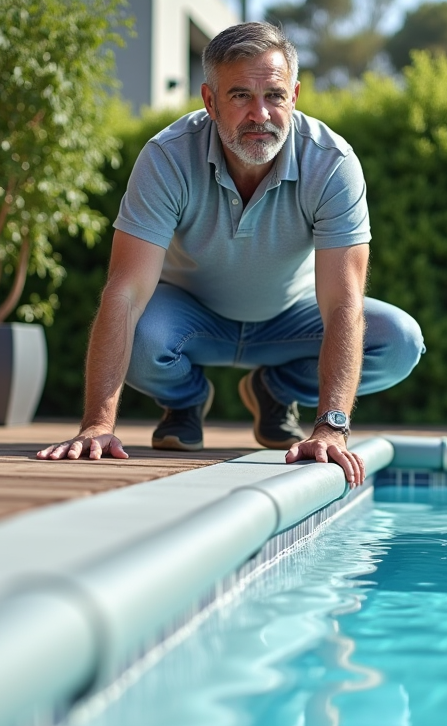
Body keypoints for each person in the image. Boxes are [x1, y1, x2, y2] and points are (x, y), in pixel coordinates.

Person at [37, 22, 423, 487]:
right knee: (140, 336)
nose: (260, 114)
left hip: (291, 320)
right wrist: (98, 423)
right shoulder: (167, 158)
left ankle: (273, 391)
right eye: (240, 95)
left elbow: (343, 303)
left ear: (295, 96)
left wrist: (331, 427)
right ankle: (185, 400)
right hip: (191, 320)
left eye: (275, 96)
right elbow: (125, 292)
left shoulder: (332, 162)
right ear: (209, 101)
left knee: (398, 340)